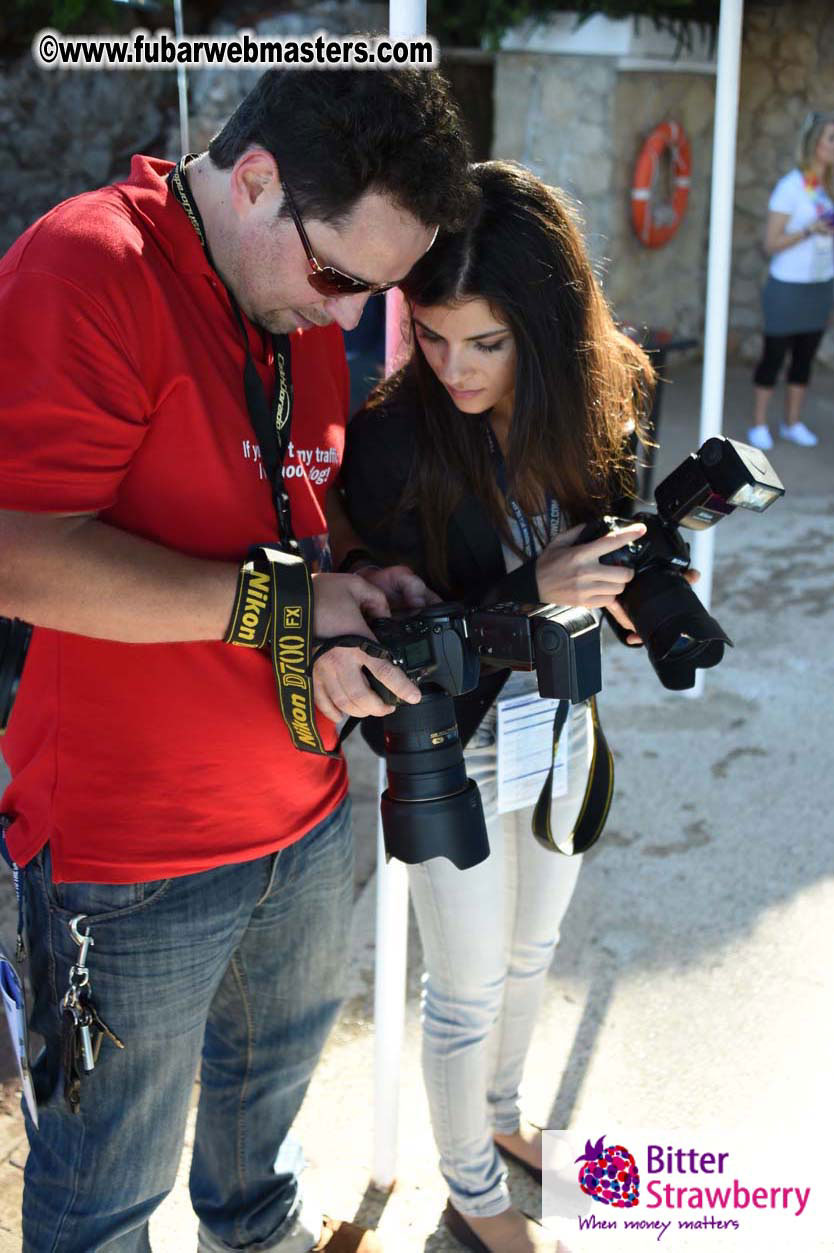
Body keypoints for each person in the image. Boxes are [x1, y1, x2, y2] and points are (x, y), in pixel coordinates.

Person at [0, 67, 475, 1252]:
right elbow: (18, 558)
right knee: (105, 1200)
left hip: (305, 825)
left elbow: (292, 522)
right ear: (254, 179)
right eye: (339, 278)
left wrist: (353, 586)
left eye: (380, 292)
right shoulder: (89, 266)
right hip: (130, 859)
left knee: (259, 1175)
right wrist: (285, 607)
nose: (352, 321)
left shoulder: (290, 303)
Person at [340, 161, 654, 1253]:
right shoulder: (388, 436)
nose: (454, 368)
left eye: (486, 342)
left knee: (535, 948)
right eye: (431, 336)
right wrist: (535, 591)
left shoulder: (603, 392)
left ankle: (506, 1118)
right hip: (452, 743)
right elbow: (393, 646)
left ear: (545, 325)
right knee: (464, 986)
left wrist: (640, 592)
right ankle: (471, 1186)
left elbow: (613, 535)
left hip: (564, 723)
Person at [747, 110, 834, 451]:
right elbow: (771, 244)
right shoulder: (790, 187)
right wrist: (809, 230)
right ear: (814, 143)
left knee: (804, 357)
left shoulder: (829, 188)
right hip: (787, 287)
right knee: (774, 356)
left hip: (820, 285)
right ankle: (758, 425)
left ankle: (792, 423)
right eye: (831, 138)